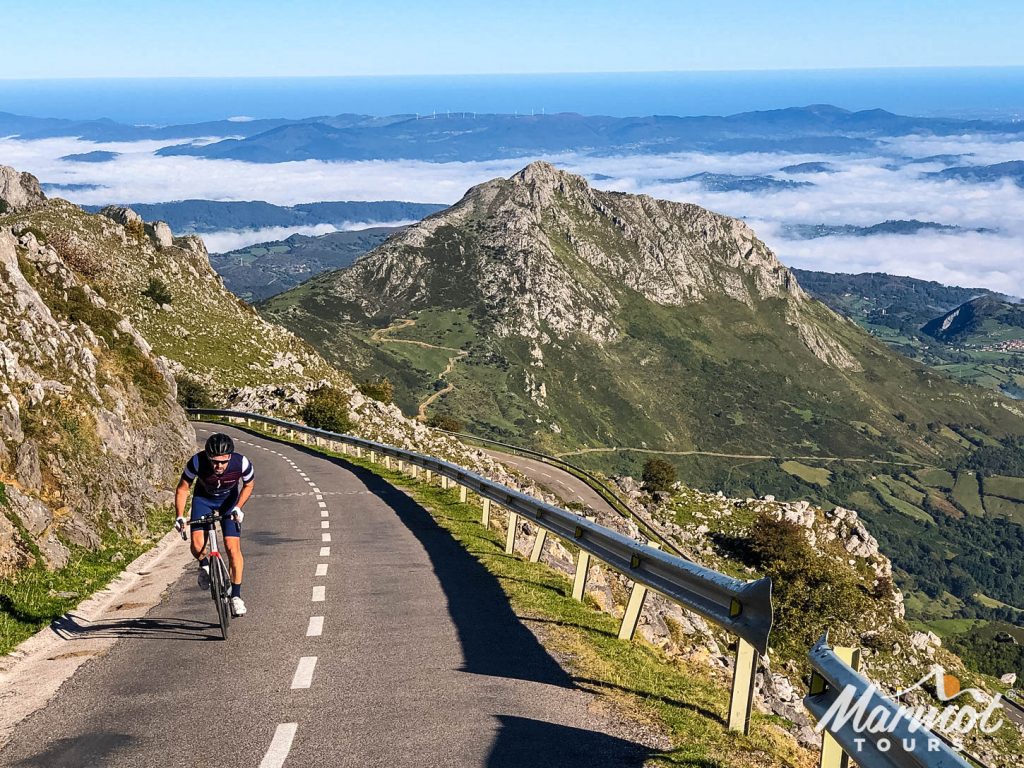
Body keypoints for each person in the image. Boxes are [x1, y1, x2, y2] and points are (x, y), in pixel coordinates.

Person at [174, 432, 255, 616]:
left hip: (229, 502)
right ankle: (204, 565)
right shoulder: (197, 462)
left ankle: (236, 596)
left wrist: (238, 507)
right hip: (204, 500)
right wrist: (179, 516)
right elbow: (183, 488)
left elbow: (249, 484)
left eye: (223, 461)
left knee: (232, 548)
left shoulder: (241, 463)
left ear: (230, 457)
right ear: (208, 457)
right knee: (196, 545)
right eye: (214, 461)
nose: (218, 466)